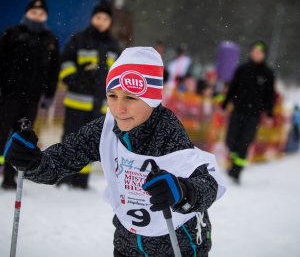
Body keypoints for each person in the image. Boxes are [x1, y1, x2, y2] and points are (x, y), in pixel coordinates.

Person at [4, 47, 226, 257]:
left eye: (130, 98)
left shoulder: (167, 131)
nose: (119, 109)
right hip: (127, 244)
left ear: (152, 99)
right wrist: (31, 161)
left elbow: (209, 183)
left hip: (178, 245)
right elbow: (59, 161)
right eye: (112, 96)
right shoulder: (106, 128)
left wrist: (182, 191)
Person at [58, 0, 121, 188]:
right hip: (77, 101)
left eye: (105, 19)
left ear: (110, 22)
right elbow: (65, 63)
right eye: (98, 17)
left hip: (101, 104)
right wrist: (76, 80)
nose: (101, 21)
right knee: (71, 139)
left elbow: (119, 72)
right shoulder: (78, 39)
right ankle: (64, 178)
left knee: (91, 143)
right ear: (92, 18)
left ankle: (81, 181)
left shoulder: (113, 45)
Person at [0, 0, 59, 189]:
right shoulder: (11, 33)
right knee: (1, 134)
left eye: (41, 13)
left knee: (21, 138)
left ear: (46, 16)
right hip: (8, 95)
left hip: (32, 99)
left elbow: (53, 70)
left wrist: (49, 94)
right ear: (26, 13)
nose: (37, 16)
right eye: (34, 12)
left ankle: (10, 176)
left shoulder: (50, 39)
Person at [222, 41, 275, 183]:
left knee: (245, 142)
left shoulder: (268, 74)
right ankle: (234, 163)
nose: (256, 54)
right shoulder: (242, 69)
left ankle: (237, 171)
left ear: (264, 55)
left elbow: (270, 96)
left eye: (259, 52)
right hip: (238, 110)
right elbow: (232, 88)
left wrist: (269, 114)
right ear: (251, 52)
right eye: (254, 51)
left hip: (254, 114)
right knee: (230, 140)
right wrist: (225, 104)